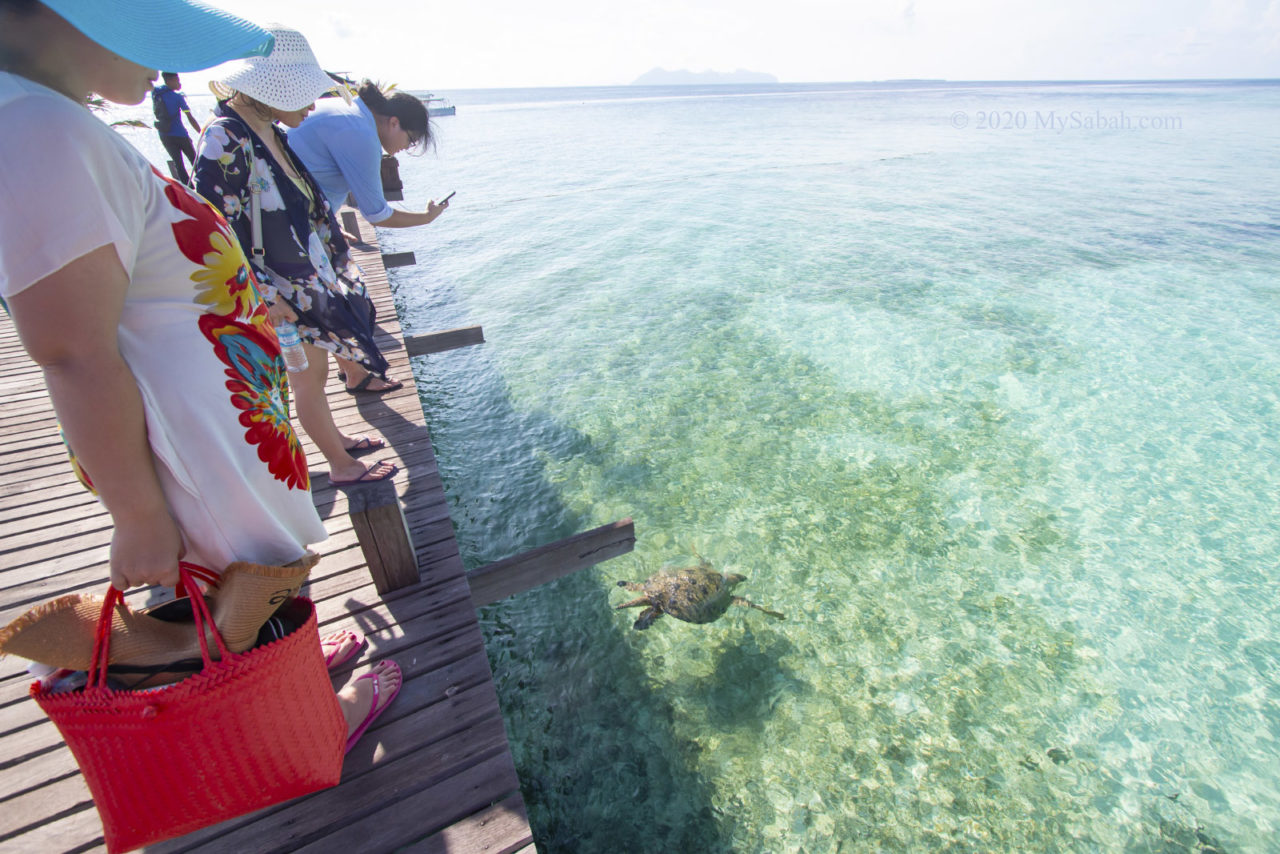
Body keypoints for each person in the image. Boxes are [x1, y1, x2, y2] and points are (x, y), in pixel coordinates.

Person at [0, 0, 399, 752]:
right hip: (200, 446)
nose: (166, 62)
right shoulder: (33, 129)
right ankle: (315, 728)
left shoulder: (42, 115)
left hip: (218, 428)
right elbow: (72, 351)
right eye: (150, 29)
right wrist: (140, 515)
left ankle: (297, 669)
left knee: (256, 585)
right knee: (246, 580)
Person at [194, 24, 398, 487]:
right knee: (308, 376)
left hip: (304, 277)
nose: (312, 104)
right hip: (277, 287)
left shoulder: (266, 129)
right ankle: (342, 466)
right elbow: (213, 229)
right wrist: (264, 295)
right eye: (304, 94)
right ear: (273, 88)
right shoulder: (225, 138)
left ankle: (336, 442)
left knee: (317, 373)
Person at [288, 79, 450, 393]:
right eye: (411, 139)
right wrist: (426, 218)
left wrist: (332, 224)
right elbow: (377, 214)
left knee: (331, 299)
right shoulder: (360, 134)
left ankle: (350, 369)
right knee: (348, 301)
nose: (407, 147)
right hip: (297, 230)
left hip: (301, 223)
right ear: (394, 122)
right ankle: (356, 374)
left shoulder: (345, 112)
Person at [151, 71, 199, 183]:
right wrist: (201, 132)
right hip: (180, 135)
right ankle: (205, 185)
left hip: (164, 135)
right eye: (177, 80)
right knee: (194, 160)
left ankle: (188, 188)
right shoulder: (177, 98)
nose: (179, 83)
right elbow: (190, 117)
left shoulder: (155, 93)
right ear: (170, 80)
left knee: (178, 164)